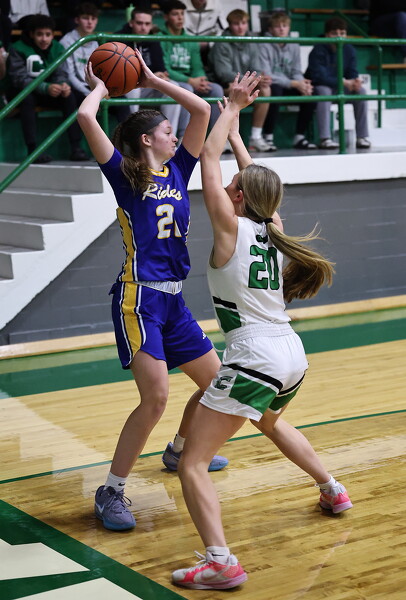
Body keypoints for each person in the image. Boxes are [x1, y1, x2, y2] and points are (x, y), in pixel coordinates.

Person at [171, 71, 353, 590]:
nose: (227, 185)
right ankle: (332, 488)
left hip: (254, 355)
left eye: (233, 186)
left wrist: (230, 108)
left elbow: (206, 161)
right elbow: (251, 181)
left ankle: (221, 562)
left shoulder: (230, 227)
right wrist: (236, 136)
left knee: (192, 463)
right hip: (291, 355)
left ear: (238, 199)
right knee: (269, 423)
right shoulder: (274, 228)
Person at [77, 48, 228, 532]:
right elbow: (86, 117)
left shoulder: (179, 169)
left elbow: (202, 110)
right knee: (156, 397)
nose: (174, 135)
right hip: (138, 299)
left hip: (174, 300)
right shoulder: (125, 175)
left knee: (217, 385)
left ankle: (179, 449)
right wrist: (103, 86)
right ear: (147, 140)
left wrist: (150, 78)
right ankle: (111, 490)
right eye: (166, 130)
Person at [7, 13, 89, 163]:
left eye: (48, 34)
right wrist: (45, 87)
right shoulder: (17, 48)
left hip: (50, 91)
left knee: (70, 96)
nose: (44, 39)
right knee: (26, 99)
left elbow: (62, 72)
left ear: (53, 35)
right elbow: (19, 78)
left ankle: (76, 148)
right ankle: (32, 150)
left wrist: (63, 85)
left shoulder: (57, 47)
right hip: (25, 91)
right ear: (31, 34)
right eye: (39, 34)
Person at [208, 9, 273, 153]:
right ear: (229, 25)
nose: (240, 27)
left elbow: (257, 67)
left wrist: (259, 79)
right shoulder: (221, 43)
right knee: (233, 88)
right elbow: (223, 73)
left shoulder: (252, 41)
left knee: (265, 89)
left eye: (243, 23)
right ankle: (224, 138)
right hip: (222, 83)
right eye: (236, 24)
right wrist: (251, 80)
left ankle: (256, 137)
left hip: (244, 82)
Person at [120, 7, 189, 139]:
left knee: (174, 87)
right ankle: (131, 137)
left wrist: (160, 76)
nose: (143, 27)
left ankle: (170, 137)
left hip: (147, 86)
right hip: (128, 86)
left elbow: (161, 68)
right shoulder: (120, 39)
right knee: (133, 91)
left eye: (147, 24)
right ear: (131, 23)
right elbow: (121, 73)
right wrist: (150, 76)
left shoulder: (153, 40)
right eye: (139, 23)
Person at [159, 0, 223, 137]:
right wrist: (190, 81)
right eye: (175, 14)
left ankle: (217, 137)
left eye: (182, 14)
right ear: (166, 17)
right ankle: (182, 136)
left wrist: (201, 79)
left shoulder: (190, 40)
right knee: (186, 89)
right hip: (173, 82)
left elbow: (197, 66)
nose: (180, 18)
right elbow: (165, 69)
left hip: (191, 81)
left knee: (215, 89)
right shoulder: (159, 38)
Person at [306, 17, 371, 150]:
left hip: (340, 86)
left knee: (361, 92)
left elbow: (352, 71)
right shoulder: (318, 49)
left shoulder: (349, 49)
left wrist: (355, 81)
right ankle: (325, 138)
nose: (339, 36)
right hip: (318, 86)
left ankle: (362, 137)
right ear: (327, 35)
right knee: (324, 92)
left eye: (342, 33)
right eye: (334, 33)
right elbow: (319, 77)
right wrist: (344, 82)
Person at [259, 11, 317, 151]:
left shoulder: (294, 45)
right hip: (273, 84)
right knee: (274, 90)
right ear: (270, 29)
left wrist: (302, 83)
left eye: (284, 26)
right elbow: (267, 75)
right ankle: (268, 136)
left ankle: (299, 136)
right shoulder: (263, 44)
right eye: (277, 26)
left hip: (290, 84)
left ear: (289, 28)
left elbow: (296, 71)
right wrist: (294, 83)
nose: (281, 29)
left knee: (311, 93)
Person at [183, 0, 227, 65]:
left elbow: (223, 31)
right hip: (186, 45)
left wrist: (209, 43)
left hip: (208, 48)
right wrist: (193, 44)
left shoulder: (216, 4)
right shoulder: (181, 4)